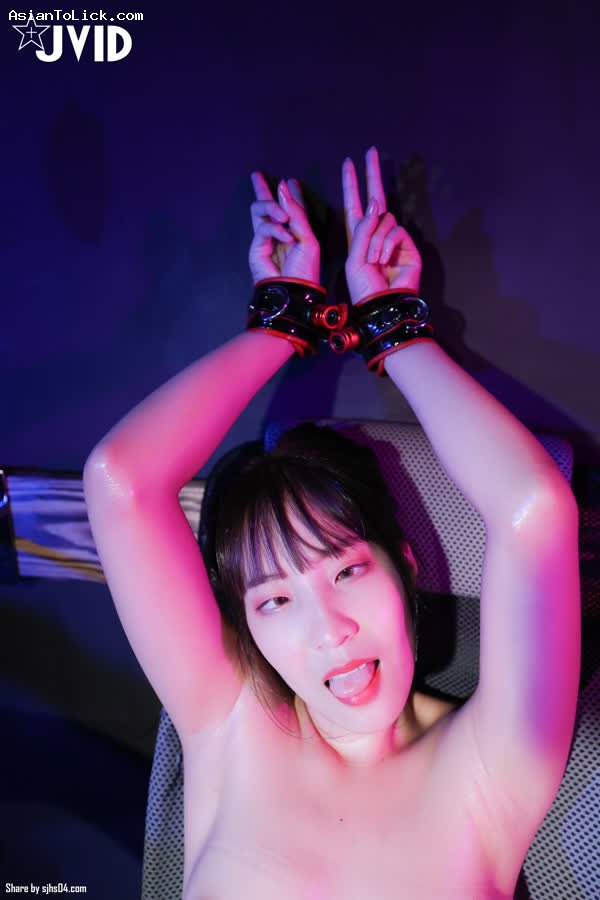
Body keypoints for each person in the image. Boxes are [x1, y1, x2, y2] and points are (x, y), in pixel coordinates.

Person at [83, 147, 581, 899]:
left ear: (404, 562)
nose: (330, 630)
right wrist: (282, 319)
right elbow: (121, 482)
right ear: (248, 627)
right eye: (275, 600)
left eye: (346, 569)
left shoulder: (492, 767)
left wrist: (396, 328)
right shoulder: (230, 723)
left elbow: (535, 510)